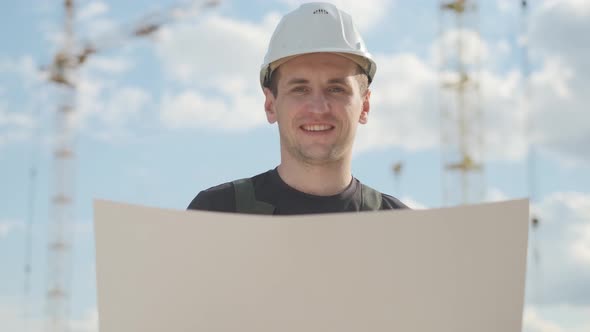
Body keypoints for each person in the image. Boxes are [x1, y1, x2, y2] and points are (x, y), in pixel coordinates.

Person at [188, 2, 407, 214]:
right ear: (270, 105)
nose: (319, 108)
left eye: (336, 89)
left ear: (365, 105)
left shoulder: (401, 228)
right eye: (300, 89)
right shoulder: (217, 213)